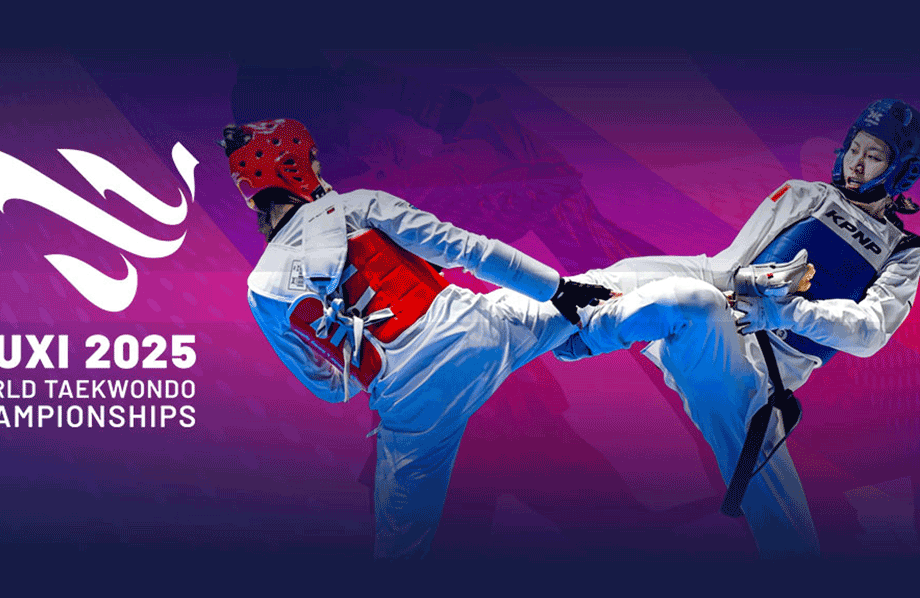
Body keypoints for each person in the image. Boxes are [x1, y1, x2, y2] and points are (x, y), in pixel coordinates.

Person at [221, 117, 612, 559]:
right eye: (312, 160)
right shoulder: (359, 204)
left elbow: (332, 389)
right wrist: (555, 288)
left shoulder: (262, 290)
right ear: (293, 168)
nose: (319, 169)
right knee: (599, 301)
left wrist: (372, 355)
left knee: (399, 550)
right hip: (477, 334)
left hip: (410, 405)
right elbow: (469, 250)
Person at [554, 99, 920, 558]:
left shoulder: (903, 251)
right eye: (854, 149)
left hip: (759, 391)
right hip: (715, 341)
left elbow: (868, 333)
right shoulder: (804, 196)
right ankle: (573, 329)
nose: (857, 164)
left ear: (901, 169)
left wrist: (786, 314)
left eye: (874, 156)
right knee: (684, 294)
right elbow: (724, 269)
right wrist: (611, 281)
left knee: (796, 544)